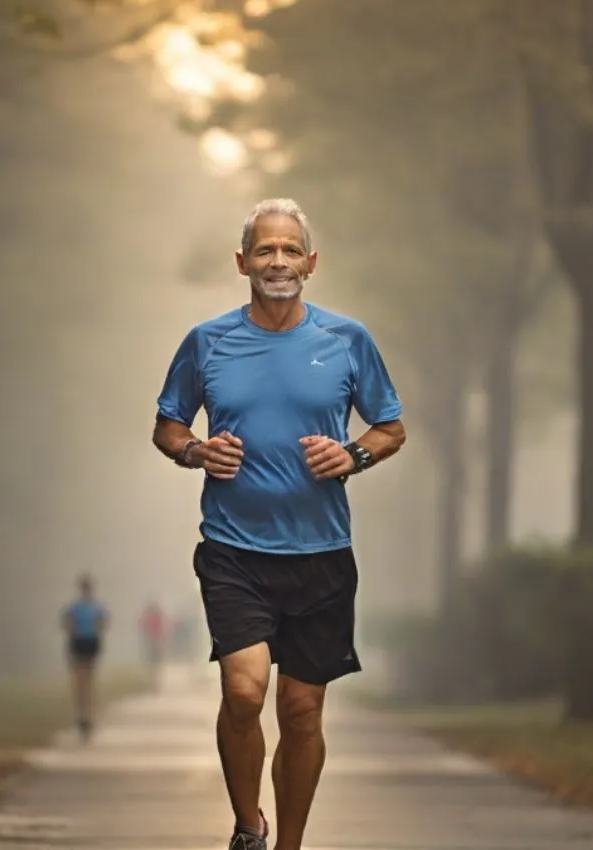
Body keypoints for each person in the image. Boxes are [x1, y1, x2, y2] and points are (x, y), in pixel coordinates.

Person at [149, 198, 407, 850]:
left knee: (300, 710)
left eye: (290, 250)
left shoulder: (346, 340)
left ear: (311, 263)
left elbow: (391, 427)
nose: (278, 261)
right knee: (244, 691)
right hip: (234, 550)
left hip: (321, 552)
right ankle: (247, 826)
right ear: (243, 262)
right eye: (265, 250)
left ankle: (288, 843)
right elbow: (168, 425)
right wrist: (196, 451)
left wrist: (352, 455)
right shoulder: (207, 342)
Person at [61, 574, 108, 741]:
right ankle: (87, 714)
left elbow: (66, 625)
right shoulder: (96, 607)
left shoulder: (74, 607)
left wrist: (75, 630)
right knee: (88, 679)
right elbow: (103, 625)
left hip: (79, 643)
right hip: (90, 642)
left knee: (80, 680)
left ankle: (83, 713)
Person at [140, 600, 168, 675]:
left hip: (154, 635)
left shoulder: (151, 615)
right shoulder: (153, 615)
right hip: (153, 635)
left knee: (154, 650)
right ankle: (154, 663)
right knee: (153, 650)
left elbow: (144, 625)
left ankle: (155, 663)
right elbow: (144, 625)